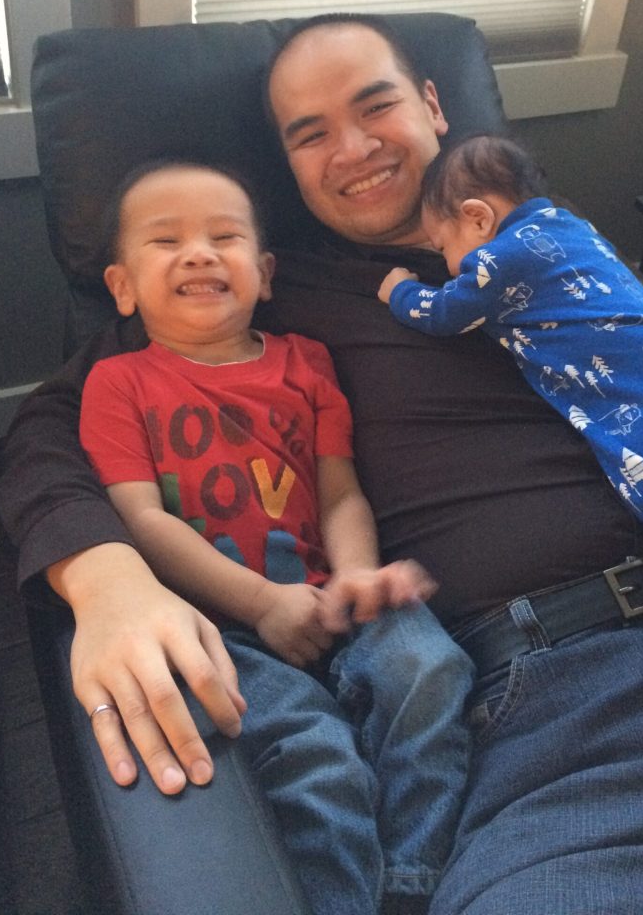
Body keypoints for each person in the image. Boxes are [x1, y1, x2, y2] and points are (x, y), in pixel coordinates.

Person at [0, 14, 643, 914]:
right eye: (310, 135)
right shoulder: (268, 296)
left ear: (434, 105)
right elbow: (46, 427)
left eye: (376, 106)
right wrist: (108, 582)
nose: (353, 149)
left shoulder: (550, 235)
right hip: (550, 737)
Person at [78, 159, 474, 915]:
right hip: (223, 624)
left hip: (332, 595)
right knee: (318, 758)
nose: (199, 254)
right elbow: (141, 520)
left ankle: (412, 883)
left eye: (223, 237)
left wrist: (357, 575)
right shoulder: (119, 382)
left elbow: (340, 490)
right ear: (122, 287)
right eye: (167, 241)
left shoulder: (306, 362)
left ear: (263, 275)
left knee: (430, 670)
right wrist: (260, 604)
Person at [378, 134, 643, 640]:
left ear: (478, 218)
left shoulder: (498, 260)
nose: (447, 263)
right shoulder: (578, 228)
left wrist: (400, 290)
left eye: (443, 245)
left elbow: (444, 312)